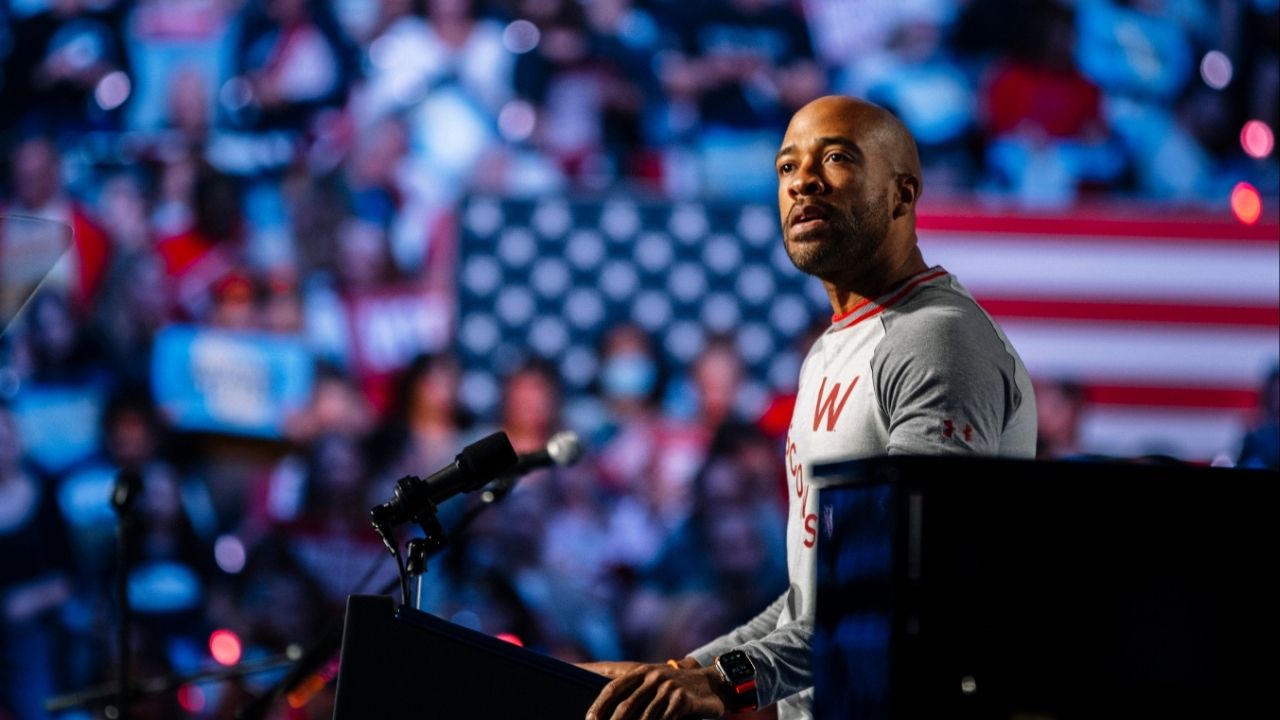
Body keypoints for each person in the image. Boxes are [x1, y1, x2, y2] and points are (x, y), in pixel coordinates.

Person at [582, 95, 1037, 719]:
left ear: (903, 195)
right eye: (787, 167)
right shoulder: (831, 349)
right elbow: (811, 602)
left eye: (837, 159)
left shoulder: (936, 339)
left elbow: (901, 590)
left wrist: (724, 684)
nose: (804, 181)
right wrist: (682, 672)